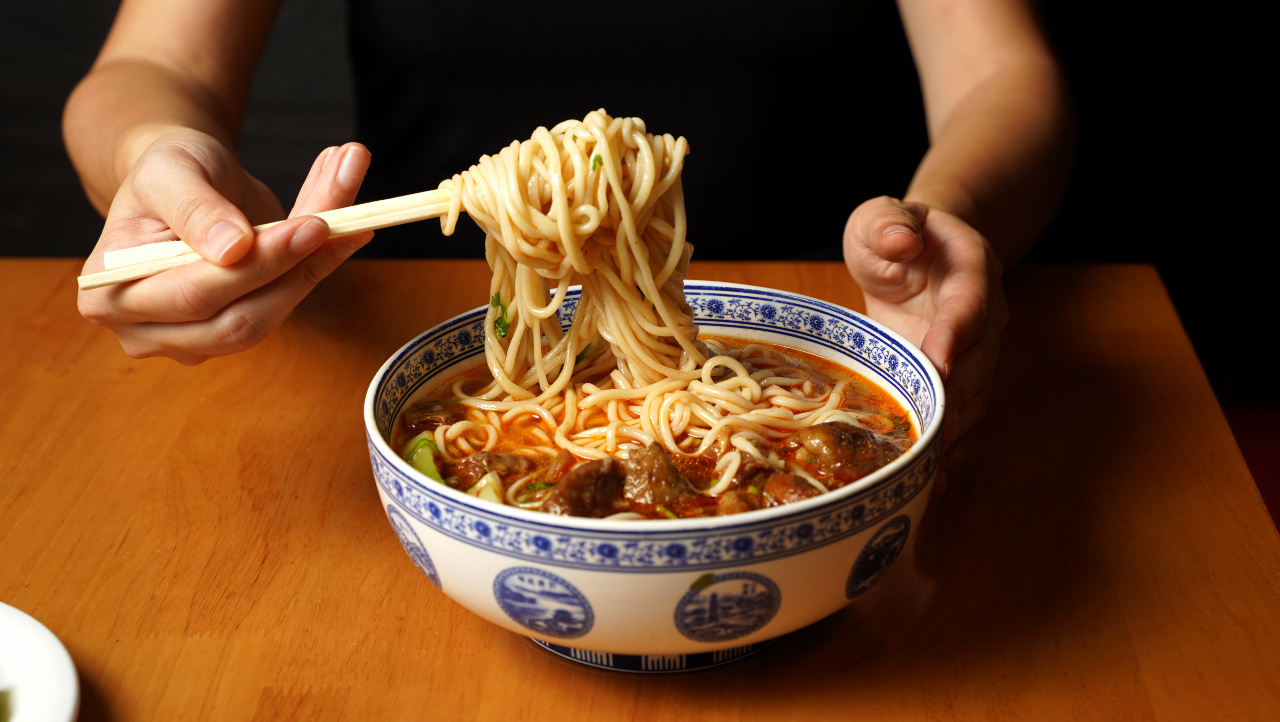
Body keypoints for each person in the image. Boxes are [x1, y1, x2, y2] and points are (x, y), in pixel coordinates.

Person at [64, 0, 1073, 449]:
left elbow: (998, 74)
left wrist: (945, 218)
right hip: (416, 367)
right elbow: (155, 66)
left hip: (817, 324)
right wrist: (152, 152)